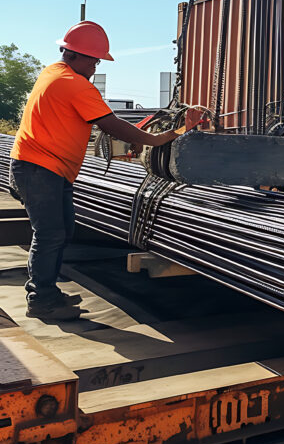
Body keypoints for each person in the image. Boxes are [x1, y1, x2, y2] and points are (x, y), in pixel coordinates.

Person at [9, 21, 200, 321]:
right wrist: (160, 138)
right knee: (50, 234)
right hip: (39, 169)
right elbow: (110, 124)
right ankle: (41, 299)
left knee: (61, 231)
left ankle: (47, 291)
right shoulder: (73, 84)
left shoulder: (53, 72)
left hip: (45, 168)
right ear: (76, 55)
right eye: (94, 60)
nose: (95, 67)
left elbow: (104, 120)